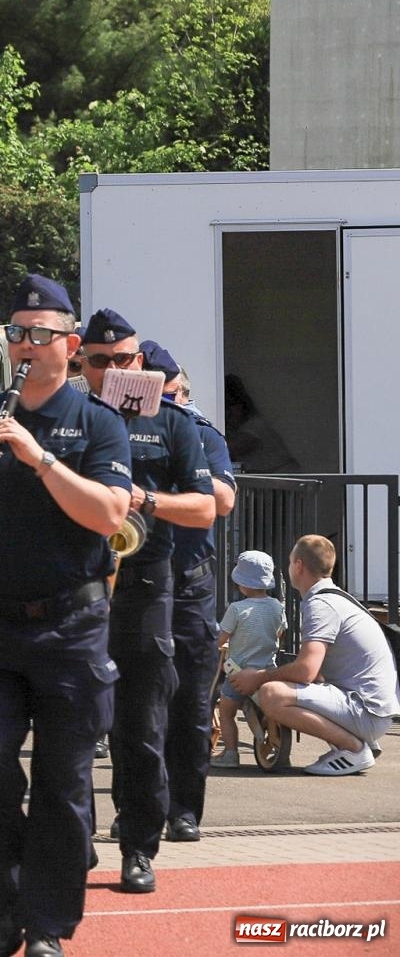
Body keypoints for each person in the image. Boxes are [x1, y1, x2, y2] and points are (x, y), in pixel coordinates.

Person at [0, 274, 131, 957]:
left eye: (40, 334)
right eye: (16, 333)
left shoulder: (97, 422)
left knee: (64, 784)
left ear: (69, 345)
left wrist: (39, 459)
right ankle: (9, 891)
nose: (25, 344)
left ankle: (47, 924)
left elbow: (108, 514)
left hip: (72, 623)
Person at [78, 311, 214, 895]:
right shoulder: (66, 416)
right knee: (73, 721)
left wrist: (147, 500)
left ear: (140, 362)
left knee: (142, 726)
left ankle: (138, 847)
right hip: (78, 581)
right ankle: (75, 838)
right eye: (99, 360)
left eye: (123, 359)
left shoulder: (173, 423)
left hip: (146, 583)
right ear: (82, 362)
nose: (112, 369)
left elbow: (206, 507)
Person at [144, 343, 236, 843]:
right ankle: (138, 806)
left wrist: (184, 457)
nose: (169, 403)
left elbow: (223, 500)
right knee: (138, 703)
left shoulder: (200, 433)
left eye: (174, 394)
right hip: (137, 577)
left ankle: (184, 811)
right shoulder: (119, 431)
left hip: (188, 582)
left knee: (190, 705)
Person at [229, 535, 399, 776]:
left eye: (290, 562)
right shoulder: (335, 597)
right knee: (283, 687)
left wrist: (257, 677)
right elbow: (316, 673)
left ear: (298, 565)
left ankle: (353, 749)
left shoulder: (321, 605)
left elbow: (306, 671)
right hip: (372, 708)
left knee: (272, 694)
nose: (289, 567)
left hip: (366, 712)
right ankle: (359, 742)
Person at [212, 551, 286, 769]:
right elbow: (280, 633)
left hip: (238, 673)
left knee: (226, 712)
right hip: (267, 672)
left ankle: (231, 754)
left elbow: (220, 639)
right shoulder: (277, 606)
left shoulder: (237, 609)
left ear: (241, 584)